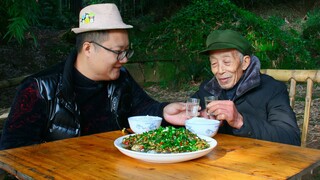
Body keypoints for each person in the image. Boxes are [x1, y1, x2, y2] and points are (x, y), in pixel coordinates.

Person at [0, 3, 187, 150]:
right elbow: (13, 151)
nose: (124, 60)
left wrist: (164, 111)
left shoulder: (121, 79)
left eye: (126, 52)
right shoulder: (38, 89)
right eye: (118, 52)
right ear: (88, 48)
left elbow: (143, 107)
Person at [192, 29, 301, 146]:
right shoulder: (208, 88)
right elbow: (183, 119)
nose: (219, 71)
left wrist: (240, 121)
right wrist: (172, 111)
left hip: (258, 161)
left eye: (227, 62)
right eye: (214, 64)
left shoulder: (272, 89)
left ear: (245, 62)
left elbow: (291, 138)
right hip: (215, 159)